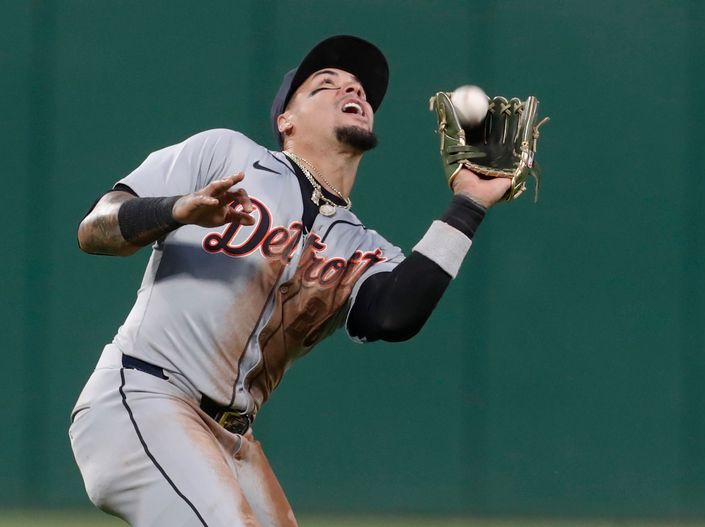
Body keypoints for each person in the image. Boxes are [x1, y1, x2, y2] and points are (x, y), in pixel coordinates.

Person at [69, 35, 512, 526]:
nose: (354, 90)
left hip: (231, 441)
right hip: (144, 399)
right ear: (286, 121)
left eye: (361, 89)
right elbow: (95, 229)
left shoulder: (363, 248)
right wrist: (176, 210)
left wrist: (469, 203)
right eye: (326, 84)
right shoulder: (226, 156)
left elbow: (392, 315)